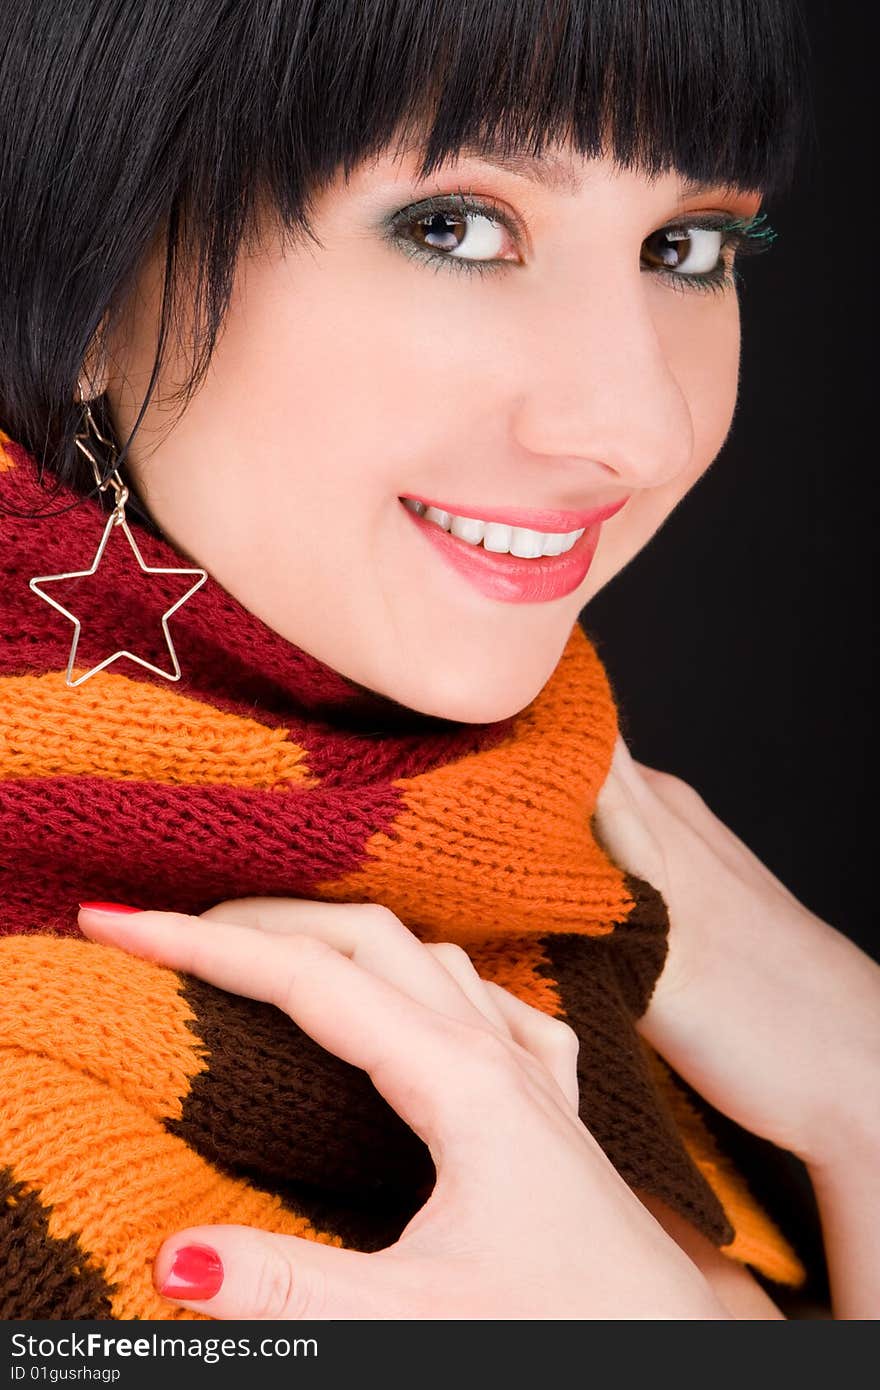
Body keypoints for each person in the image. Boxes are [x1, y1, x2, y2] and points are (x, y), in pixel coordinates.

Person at [0, 0, 877, 1321]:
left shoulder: (618, 916)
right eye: (456, 226)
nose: (637, 425)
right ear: (87, 276)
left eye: (687, 245)